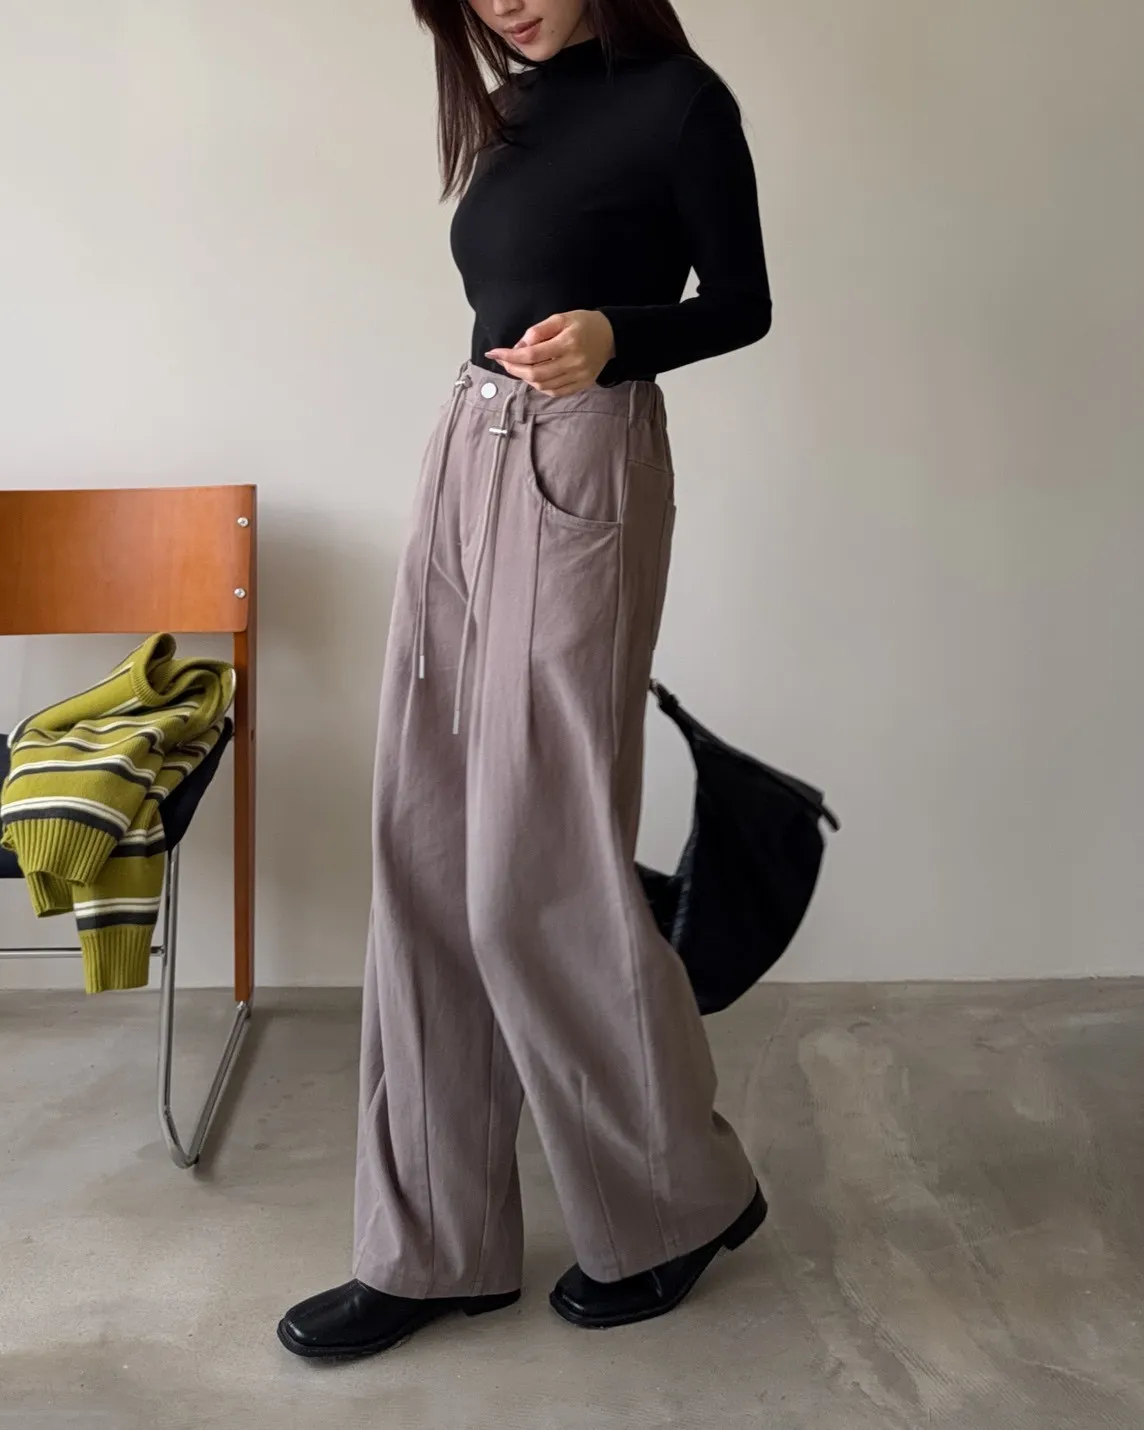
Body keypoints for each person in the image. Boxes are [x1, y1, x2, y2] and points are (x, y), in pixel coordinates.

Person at [278, 0, 772, 1361]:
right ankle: (431, 1244)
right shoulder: (509, 112)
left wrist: (619, 335)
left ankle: (676, 1198)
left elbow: (742, 303)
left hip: (584, 460)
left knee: (535, 865)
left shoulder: (681, 102)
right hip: (465, 453)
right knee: (427, 850)